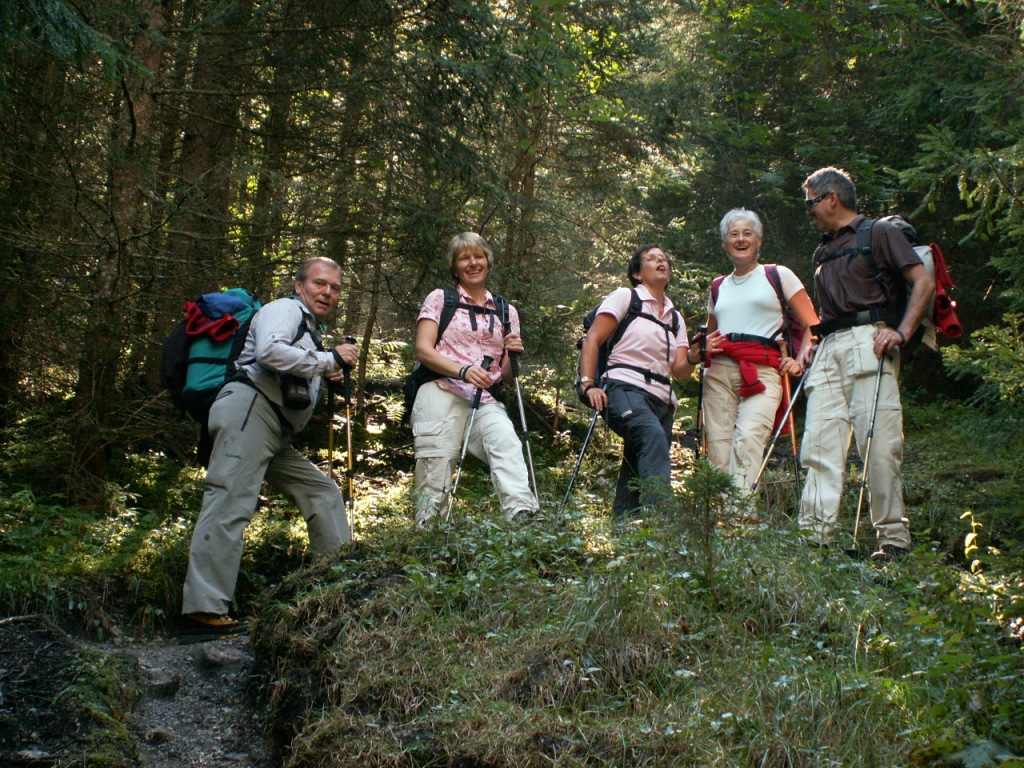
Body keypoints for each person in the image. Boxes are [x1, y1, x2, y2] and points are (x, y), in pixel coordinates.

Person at [181, 257, 359, 636]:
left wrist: (325, 369)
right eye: (319, 283)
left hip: (272, 430)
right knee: (229, 500)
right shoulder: (285, 309)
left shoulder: (309, 331)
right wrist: (329, 360)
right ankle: (203, 610)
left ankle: (340, 590)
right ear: (299, 286)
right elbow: (269, 352)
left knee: (323, 492)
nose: (327, 292)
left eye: (335, 288)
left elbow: (294, 368)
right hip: (250, 410)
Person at [797, 167, 934, 561]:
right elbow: (828, 310)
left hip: (870, 342)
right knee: (818, 446)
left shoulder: (880, 233)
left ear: (832, 198)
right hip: (829, 349)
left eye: (811, 203)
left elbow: (923, 282)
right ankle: (814, 541)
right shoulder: (822, 251)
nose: (809, 212)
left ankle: (892, 540)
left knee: (880, 445)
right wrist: (814, 344)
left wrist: (901, 332)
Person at [410, 232, 539, 526]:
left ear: (488, 262)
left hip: (485, 397)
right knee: (437, 460)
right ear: (454, 267)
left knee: (506, 441)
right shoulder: (441, 299)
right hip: (441, 388)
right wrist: (463, 370)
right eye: (464, 258)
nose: (473, 263)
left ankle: (522, 515)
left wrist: (514, 354)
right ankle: (428, 530)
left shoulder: (506, 311)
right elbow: (423, 350)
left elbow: (506, 375)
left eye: (478, 256)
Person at [578, 244, 705, 518]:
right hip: (623, 387)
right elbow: (593, 339)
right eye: (651, 259)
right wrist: (588, 384)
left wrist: (694, 356)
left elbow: (680, 371)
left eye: (664, 258)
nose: (661, 261)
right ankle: (664, 520)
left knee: (636, 462)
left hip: (662, 401)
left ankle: (625, 529)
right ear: (637, 273)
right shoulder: (626, 297)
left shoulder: (675, 318)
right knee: (651, 436)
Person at [702, 208, 818, 502]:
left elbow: (812, 324)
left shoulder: (778, 275)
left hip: (763, 371)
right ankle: (722, 522)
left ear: (759, 241)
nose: (741, 239)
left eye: (747, 233)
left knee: (749, 440)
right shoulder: (717, 286)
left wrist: (799, 361)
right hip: (718, 374)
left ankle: (738, 518)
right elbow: (711, 337)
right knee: (718, 449)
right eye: (734, 234)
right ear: (724, 243)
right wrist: (701, 350)